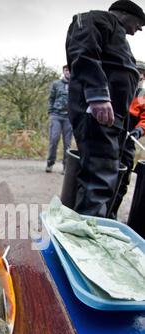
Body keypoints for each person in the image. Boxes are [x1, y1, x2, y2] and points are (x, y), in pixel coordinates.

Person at [65, 0, 145, 217]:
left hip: (112, 119)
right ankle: (87, 232)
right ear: (126, 13)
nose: (138, 30)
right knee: (99, 176)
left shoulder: (116, 33)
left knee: (106, 172)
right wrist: (97, 95)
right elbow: (84, 52)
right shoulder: (97, 19)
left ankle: (98, 219)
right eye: (139, 24)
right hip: (97, 113)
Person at [109, 60, 145, 218]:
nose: (141, 76)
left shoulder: (143, 96)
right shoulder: (117, 87)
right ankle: (98, 210)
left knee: (123, 178)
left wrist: (139, 130)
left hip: (129, 139)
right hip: (111, 134)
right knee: (104, 172)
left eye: (143, 74)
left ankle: (112, 212)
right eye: (138, 72)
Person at [45, 65, 73, 174]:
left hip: (69, 117)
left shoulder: (75, 84)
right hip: (56, 115)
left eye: (70, 70)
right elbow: (51, 98)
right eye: (66, 70)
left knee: (67, 143)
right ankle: (50, 163)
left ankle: (66, 167)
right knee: (54, 139)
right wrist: (51, 112)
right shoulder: (56, 84)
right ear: (63, 72)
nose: (68, 72)